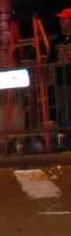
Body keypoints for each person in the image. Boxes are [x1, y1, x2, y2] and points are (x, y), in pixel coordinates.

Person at [50, 9, 71, 148]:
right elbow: (51, 60)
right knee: (65, 113)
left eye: (64, 18)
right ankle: (68, 143)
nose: (60, 21)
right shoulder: (57, 40)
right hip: (62, 82)